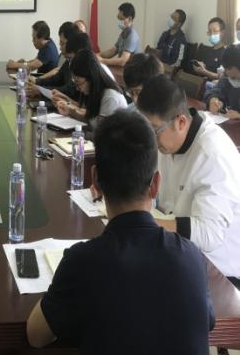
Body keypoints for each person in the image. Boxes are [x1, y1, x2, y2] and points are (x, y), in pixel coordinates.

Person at [26, 110, 215, 354]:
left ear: (95, 180)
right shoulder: (191, 256)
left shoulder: (83, 261)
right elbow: (207, 322)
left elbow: (36, 336)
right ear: (156, 184)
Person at [137, 75, 240, 282]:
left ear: (181, 122)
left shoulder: (212, 154)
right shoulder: (169, 139)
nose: (150, 139)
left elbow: (209, 234)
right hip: (179, 250)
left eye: (154, 130)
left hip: (219, 271)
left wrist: (145, 224)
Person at [56, 48, 126, 128]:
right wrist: (70, 110)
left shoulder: (110, 97)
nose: (77, 88)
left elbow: (99, 128)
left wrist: (72, 110)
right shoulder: (94, 91)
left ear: (91, 77)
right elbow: (90, 119)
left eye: (78, 83)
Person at [97, 2, 140, 67]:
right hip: (123, 69)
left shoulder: (132, 36)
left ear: (130, 19)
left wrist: (102, 61)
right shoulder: (123, 33)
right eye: (119, 19)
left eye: (121, 19)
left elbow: (122, 61)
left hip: (131, 70)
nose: (120, 22)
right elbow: (113, 51)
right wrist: (97, 55)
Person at [205, 44, 240, 120]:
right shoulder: (227, 76)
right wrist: (213, 99)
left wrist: (239, 116)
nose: (231, 80)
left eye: (234, 78)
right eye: (228, 75)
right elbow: (214, 91)